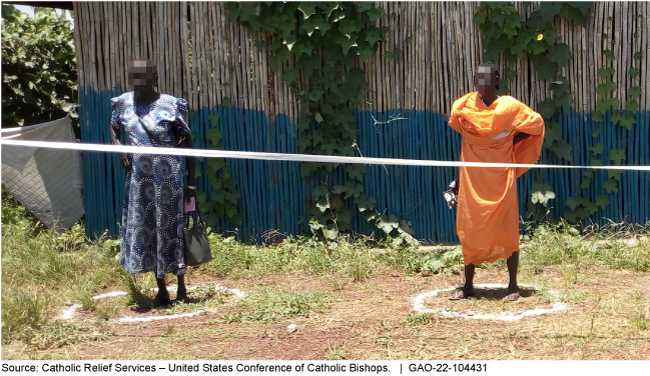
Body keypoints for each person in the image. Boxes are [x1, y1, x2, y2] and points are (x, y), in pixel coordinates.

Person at [447, 63, 545, 301]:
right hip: (472, 178)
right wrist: (457, 183)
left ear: (497, 79)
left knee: (507, 230)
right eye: (476, 76)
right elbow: (466, 148)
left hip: (501, 178)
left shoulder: (509, 107)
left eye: (485, 76)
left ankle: (513, 286)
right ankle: (468, 285)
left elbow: (536, 125)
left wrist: (508, 142)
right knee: (470, 229)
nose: (480, 80)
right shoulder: (465, 107)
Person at [109, 58, 196, 307]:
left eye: (143, 76)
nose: (137, 82)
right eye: (133, 76)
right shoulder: (123, 103)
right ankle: (161, 289)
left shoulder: (171, 105)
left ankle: (181, 286)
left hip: (169, 180)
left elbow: (187, 146)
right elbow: (114, 128)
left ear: (154, 78)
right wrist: (119, 149)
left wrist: (191, 184)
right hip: (140, 181)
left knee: (173, 229)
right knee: (148, 229)